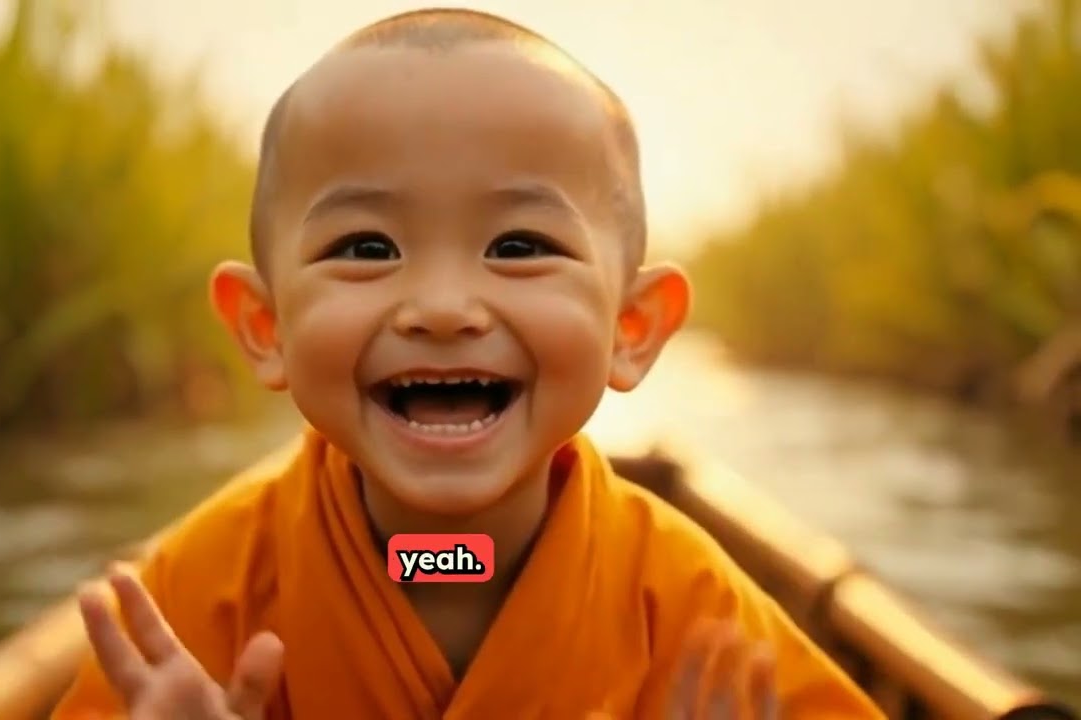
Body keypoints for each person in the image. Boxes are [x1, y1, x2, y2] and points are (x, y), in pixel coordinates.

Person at [51, 8, 886, 719]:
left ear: (631, 327)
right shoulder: (196, 596)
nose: (444, 307)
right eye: (366, 247)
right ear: (265, 326)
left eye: (519, 246)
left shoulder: (691, 611)